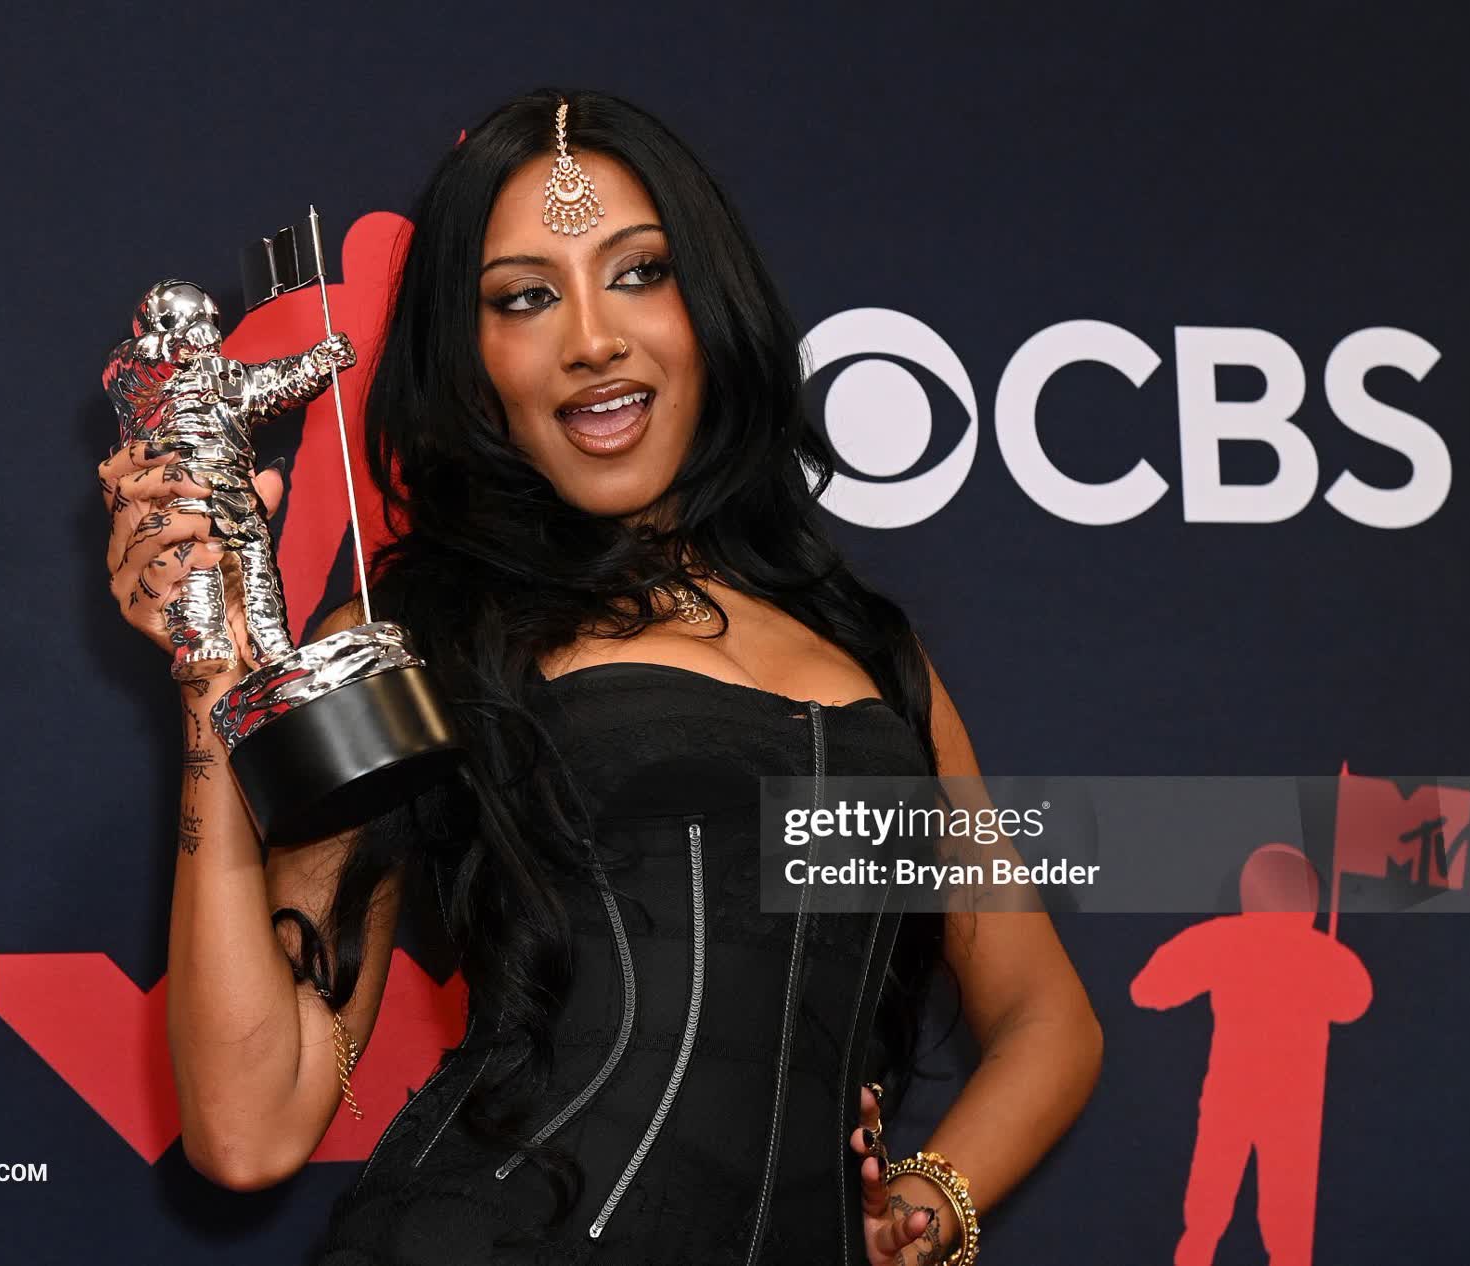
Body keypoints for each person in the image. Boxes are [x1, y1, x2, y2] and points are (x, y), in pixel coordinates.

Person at [96, 87, 1102, 1266]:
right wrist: (214, 696)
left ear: (709, 305)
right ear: (472, 357)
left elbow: (1046, 1019)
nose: (590, 339)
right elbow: (250, 1124)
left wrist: (927, 1201)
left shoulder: (871, 648)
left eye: (638, 273)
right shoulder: (423, 627)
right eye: (524, 297)